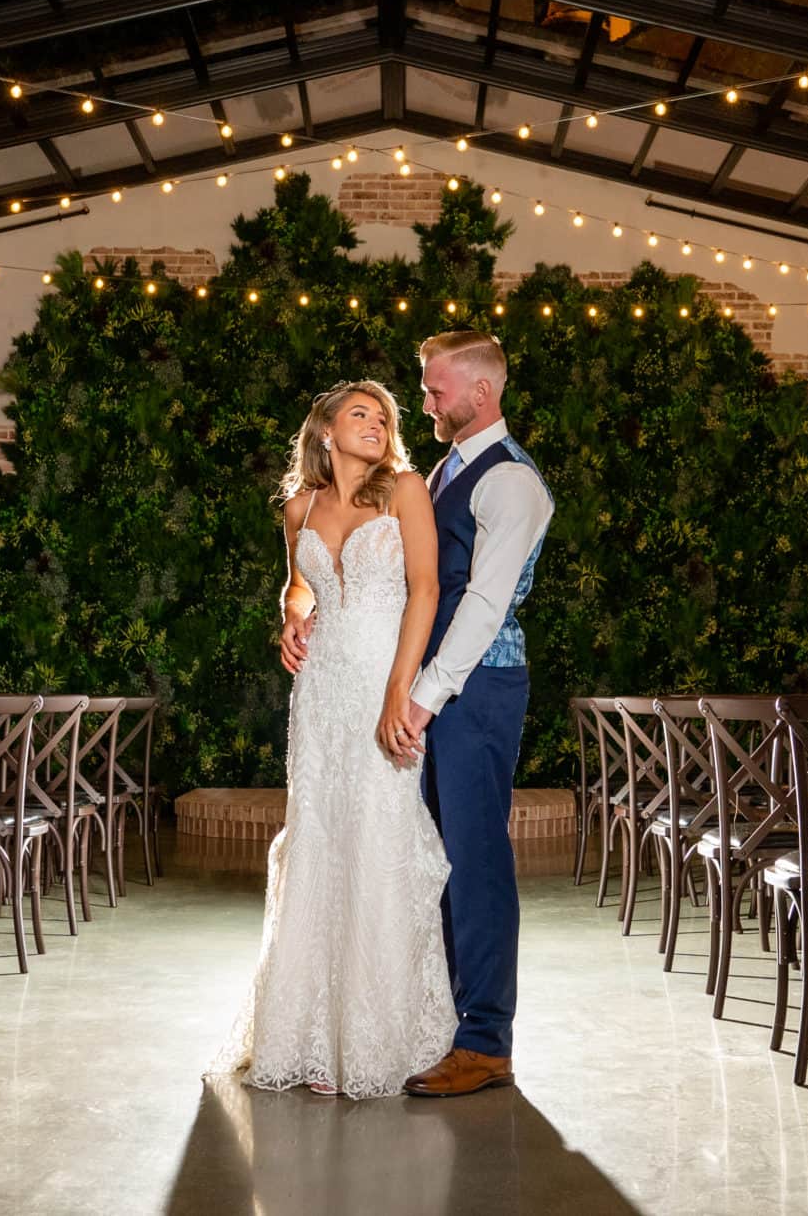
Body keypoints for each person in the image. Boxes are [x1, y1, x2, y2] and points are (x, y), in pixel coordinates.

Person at [216, 381, 459, 1099]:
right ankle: (314, 1038)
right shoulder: (299, 509)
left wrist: (400, 693)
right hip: (319, 696)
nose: (377, 424)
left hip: (384, 686)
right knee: (321, 840)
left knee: (381, 837)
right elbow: (300, 587)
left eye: (384, 415)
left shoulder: (406, 490)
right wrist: (289, 621)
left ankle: (380, 1033)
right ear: (324, 430)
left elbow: (425, 591)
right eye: (360, 413)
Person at [387, 331, 555, 1099]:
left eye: (436, 388)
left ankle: (486, 1040)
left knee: (477, 861)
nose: (425, 401)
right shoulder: (445, 468)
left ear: (481, 393)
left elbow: (484, 602)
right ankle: (455, 1021)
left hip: (478, 689)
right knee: (443, 859)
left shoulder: (512, 480)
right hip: (446, 689)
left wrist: (424, 697)